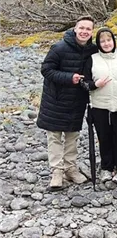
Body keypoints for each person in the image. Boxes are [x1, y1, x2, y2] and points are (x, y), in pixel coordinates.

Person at [37, 16, 98, 190]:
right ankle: (57, 171)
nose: (85, 31)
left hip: (77, 100)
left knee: (73, 135)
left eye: (88, 29)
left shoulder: (92, 50)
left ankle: (70, 168)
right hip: (55, 99)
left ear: (91, 32)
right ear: (75, 29)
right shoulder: (59, 48)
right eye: (82, 28)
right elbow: (46, 70)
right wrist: (68, 78)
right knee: (54, 136)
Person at [81, 28, 117, 184]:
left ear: (114, 41)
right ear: (98, 43)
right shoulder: (92, 59)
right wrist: (94, 84)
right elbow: (84, 82)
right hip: (99, 106)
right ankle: (106, 167)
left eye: (109, 40)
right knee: (104, 137)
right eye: (102, 41)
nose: (106, 43)